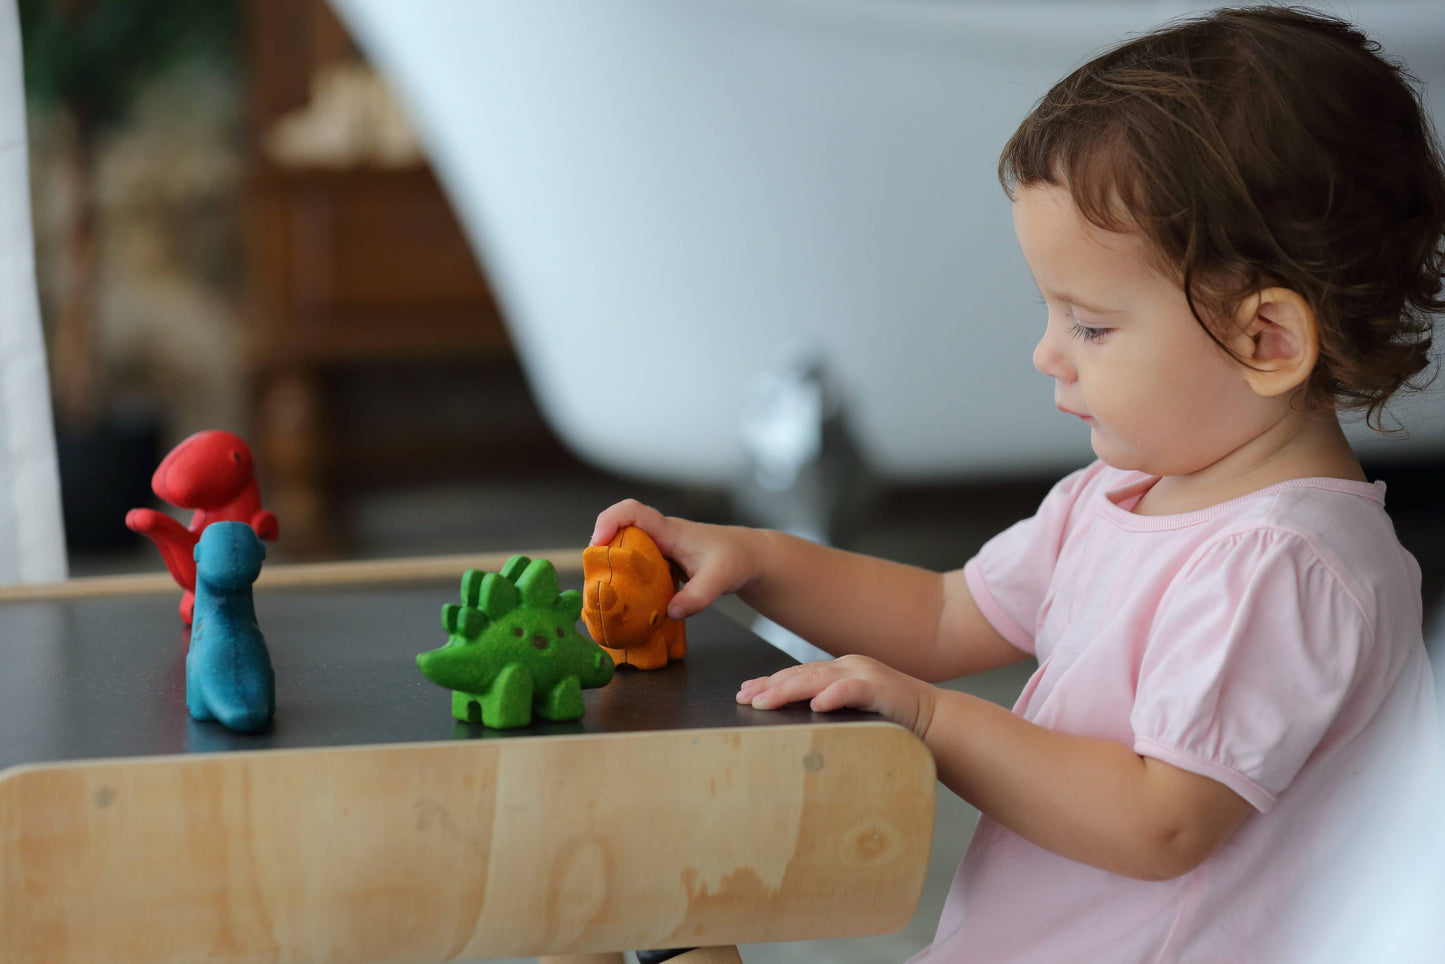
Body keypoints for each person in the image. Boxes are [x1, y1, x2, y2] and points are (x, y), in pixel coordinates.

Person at [592, 6, 1444, 962]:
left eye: (1090, 325)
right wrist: (752, 559)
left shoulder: (1282, 566)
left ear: (1265, 340)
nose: (1048, 353)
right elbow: (945, 615)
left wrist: (926, 716)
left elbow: (1159, 822)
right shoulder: (1119, 498)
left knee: (663, 922)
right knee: (649, 918)